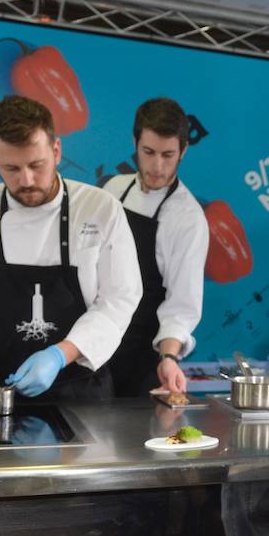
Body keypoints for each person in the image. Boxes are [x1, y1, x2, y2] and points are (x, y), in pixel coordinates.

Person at [0, 95, 141, 400]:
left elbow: (119, 300)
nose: (27, 180)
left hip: (80, 390)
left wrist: (60, 355)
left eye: (37, 165)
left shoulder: (101, 209)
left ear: (56, 150)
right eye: (11, 168)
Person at [103, 97, 209, 397]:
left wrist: (169, 357)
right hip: (99, 343)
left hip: (143, 357)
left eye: (168, 155)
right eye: (148, 152)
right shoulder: (113, 191)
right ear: (135, 143)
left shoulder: (187, 218)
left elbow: (181, 305)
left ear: (183, 151)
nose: (157, 166)